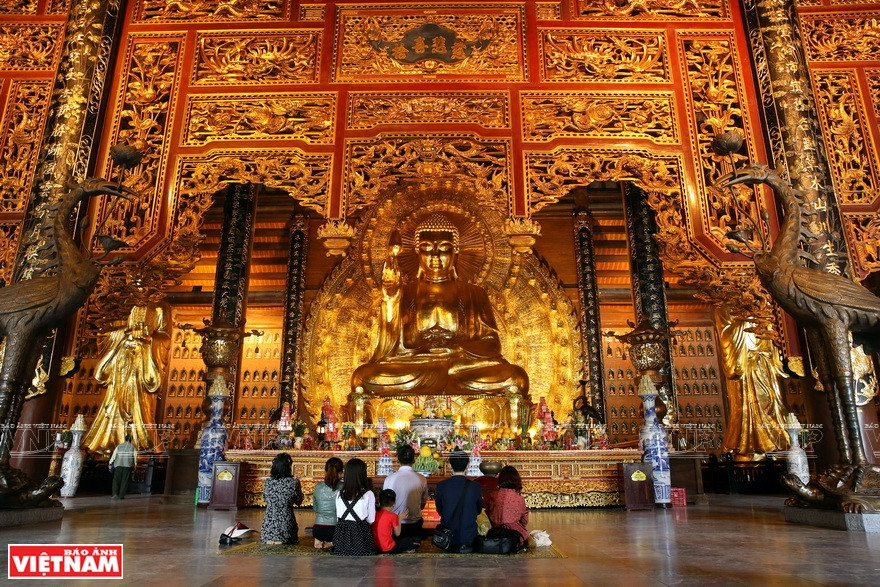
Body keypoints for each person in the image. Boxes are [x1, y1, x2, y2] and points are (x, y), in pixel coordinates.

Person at [351, 214, 528, 398]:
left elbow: (492, 345)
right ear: (417, 253)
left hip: (460, 367)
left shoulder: (474, 293)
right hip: (417, 366)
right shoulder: (405, 292)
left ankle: (441, 383)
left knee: (516, 378)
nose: (435, 256)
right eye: (426, 248)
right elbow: (390, 347)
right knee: (363, 378)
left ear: (456, 252)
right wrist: (390, 300)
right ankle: (443, 385)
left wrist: (456, 351)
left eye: (444, 248)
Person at [84, 304, 169, 453]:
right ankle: (108, 443)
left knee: (139, 409)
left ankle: (139, 443)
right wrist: (125, 334)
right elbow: (104, 334)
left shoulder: (159, 308)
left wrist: (147, 340)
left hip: (141, 369)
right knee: (113, 407)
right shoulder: (120, 303)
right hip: (120, 369)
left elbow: (164, 337)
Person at [434, 450, 482, 553]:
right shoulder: (475, 487)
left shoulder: (441, 486)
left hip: (448, 538)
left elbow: (440, 511)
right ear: (468, 465)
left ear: (450, 465)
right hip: (469, 537)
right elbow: (478, 511)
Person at [382, 444, 427, 543]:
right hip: (414, 524)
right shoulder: (422, 479)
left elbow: (385, 506)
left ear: (398, 459)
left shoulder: (389, 479)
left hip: (395, 525)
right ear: (414, 459)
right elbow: (423, 504)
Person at [332, 458, 376, 556]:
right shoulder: (368, 494)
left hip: (341, 539)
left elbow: (338, 517)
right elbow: (371, 519)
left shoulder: (339, 494)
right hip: (361, 539)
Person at [260, 453, 304, 544]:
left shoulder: (267, 482)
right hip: (286, 527)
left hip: (268, 528)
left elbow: (265, 499)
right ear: (288, 467)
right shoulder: (294, 482)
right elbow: (299, 501)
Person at [486, 465, 529, 549]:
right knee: (531, 539)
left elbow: (489, 514)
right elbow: (524, 521)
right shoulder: (519, 499)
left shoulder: (493, 496)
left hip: (495, 533)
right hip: (514, 534)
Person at [372, 489, 420, 554]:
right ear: (394, 504)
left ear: (379, 502)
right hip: (389, 548)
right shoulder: (393, 516)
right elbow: (397, 534)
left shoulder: (375, 514)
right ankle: (404, 549)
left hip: (377, 548)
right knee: (416, 540)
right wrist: (399, 519)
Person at [312, 457, 344, 549]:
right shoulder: (344, 487)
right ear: (341, 473)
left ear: (325, 471)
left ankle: (320, 541)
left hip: (318, 529)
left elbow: (316, 508)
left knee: (320, 534)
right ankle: (332, 542)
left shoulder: (318, 487)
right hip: (337, 529)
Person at [108, 434, 137, 499]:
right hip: (127, 466)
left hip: (118, 465)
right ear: (131, 440)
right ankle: (121, 495)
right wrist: (135, 465)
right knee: (125, 481)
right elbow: (135, 457)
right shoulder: (132, 447)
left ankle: (114, 494)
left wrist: (110, 463)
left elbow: (114, 455)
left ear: (125, 439)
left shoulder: (119, 446)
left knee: (116, 480)